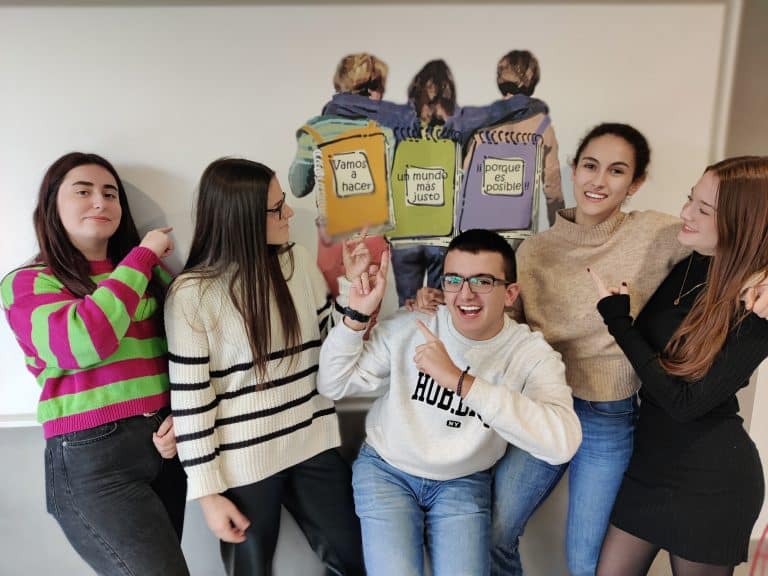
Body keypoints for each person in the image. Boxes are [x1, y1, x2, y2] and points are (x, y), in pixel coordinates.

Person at [413, 123, 688, 575]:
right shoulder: (533, 251)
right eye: (590, 166)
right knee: (495, 531)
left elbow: (732, 239)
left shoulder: (656, 233)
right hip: (543, 403)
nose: (599, 181)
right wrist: (444, 302)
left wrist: (759, 279)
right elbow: (503, 326)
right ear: (573, 169)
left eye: (617, 171)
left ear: (635, 183)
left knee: (586, 562)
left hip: (608, 414)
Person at [317, 228, 582, 576]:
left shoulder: (529, 353)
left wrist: (460, 381)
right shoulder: (415, 325)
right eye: (454, 280)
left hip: (462, 482)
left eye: (483, 281)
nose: (465, 294)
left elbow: (562, 442)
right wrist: (356, 314)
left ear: (510, 293)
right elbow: (333, 383)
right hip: (387, 471)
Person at [164, 158, 365, 575]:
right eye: (276, 209)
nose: (289, 213)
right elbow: (191, 401)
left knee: (356, 559)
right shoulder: (191, 294)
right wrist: (207, 494)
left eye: (283, 202)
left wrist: (353, 291)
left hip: (312, 440)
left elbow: (328, 345)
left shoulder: (297, 261)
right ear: (240, 219)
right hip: (243, 460)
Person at [0, 152, 188, 575]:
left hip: (165, 446)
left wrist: (182, 413)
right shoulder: (27, 282)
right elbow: (83, 342)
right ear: (52, 204)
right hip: (93, 460)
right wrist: (142, 256)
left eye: (110, 193)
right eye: (83, 192)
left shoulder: (152, 275)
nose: (100, 202)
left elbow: (188, 349)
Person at [592, 156, 768, 575]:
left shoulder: (756, 307)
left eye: (703, 210)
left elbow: (684, 403)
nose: (686, 213)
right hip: (649, 465)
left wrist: (619, 324)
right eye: (691, 199)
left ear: (741, 223)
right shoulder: (693, 262)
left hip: (711, 482)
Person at [288, 52, 393, 297]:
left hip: (331, 239)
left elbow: (298, 186)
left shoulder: (315, 129)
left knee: (333, 309)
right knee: (365, 308)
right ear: (372, 90)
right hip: (371, 237)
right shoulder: (387, 130)